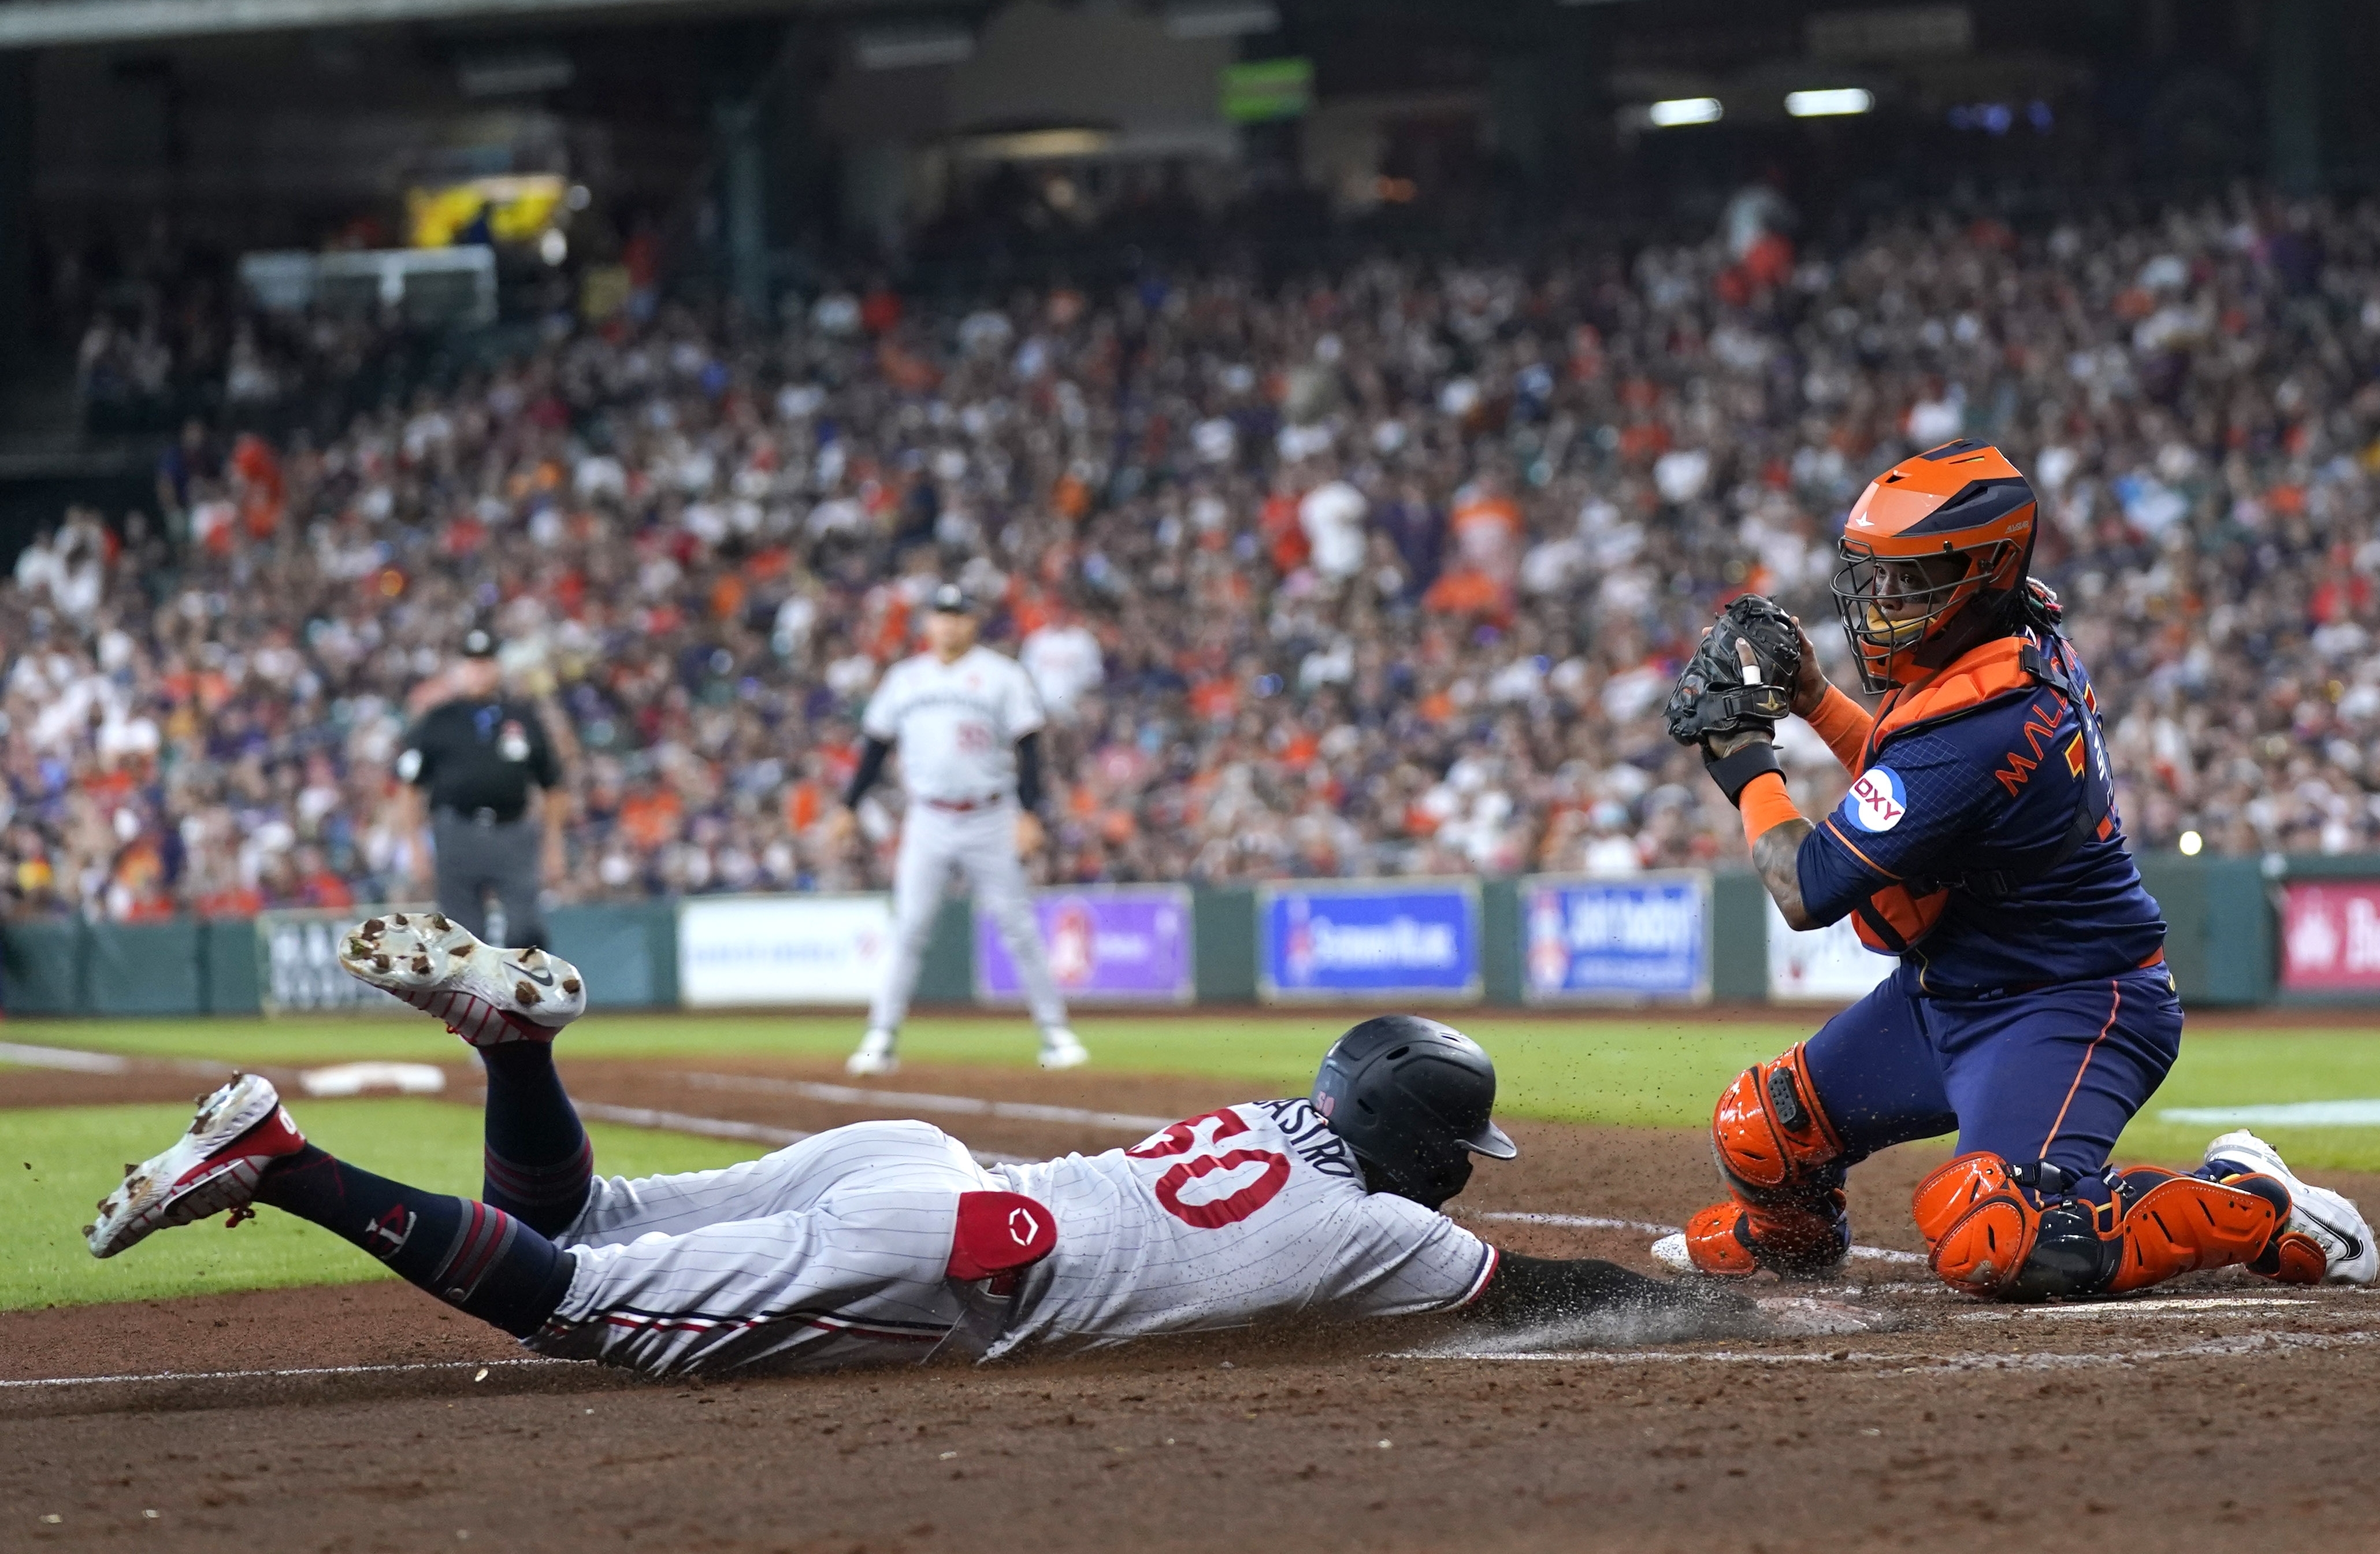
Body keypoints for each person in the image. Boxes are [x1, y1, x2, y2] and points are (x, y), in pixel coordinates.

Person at [86, 921, 1747, 1376]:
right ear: (1416, 1143)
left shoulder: (1268, 1118)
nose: (1467, 1173)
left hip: (924, 1163)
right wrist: (1720, 1296)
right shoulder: (1379, 1235)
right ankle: (286, 1159)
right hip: (950, 1260)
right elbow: (1548, 1283)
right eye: (1464, 1147)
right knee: (585, 1311)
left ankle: (517, 1044)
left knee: (584, 1218)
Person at [1657, 439, 2379, 1300]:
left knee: (1992, 1236)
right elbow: (1914, 785)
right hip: (1951, 993)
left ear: (1985, 570)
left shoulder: (1989, 719)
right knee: (1761, 1130)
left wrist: (1738, 754)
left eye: (1909, 578)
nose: (1882, 601)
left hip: (2066, 1004)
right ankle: (1793, 1246)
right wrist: (1812, 696)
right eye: (1878, 576)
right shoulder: (2001, 647)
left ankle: (2258, 1204)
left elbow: (1805, 885)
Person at [825, 584, 1084, 1075]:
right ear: (927, 624)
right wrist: (847, 806)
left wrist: (1028, 813)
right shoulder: (905, 679)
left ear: (973, 623)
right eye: (941, 615)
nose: (949, 623)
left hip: (990, 814)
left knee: (1018, 927)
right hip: (928, 818)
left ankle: (1056, 1032)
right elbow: (875, 747)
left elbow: (1029, 749)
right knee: (909, 927)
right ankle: (881, 1036)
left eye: (958, 615)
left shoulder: (1000, 675)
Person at [393, 629, 568, 950]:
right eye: (471, 663)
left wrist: (554, 844)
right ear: (459, 669)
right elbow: (409, 786)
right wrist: (415, 846)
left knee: (525, 931)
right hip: (457, 833)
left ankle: (523, 1000)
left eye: (485, 662)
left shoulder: (522, 717)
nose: (478, 671)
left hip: (514, 832)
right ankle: (472, 1003)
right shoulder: (438, 720)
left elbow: (553, 784)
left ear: (498, 667)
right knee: (462, 939)